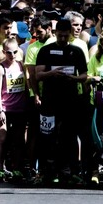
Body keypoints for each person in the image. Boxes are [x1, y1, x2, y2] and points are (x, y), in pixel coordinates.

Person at [35, 19, 88, 185]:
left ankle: (70, 171)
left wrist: (73, 78)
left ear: (70, 34)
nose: (63, 39)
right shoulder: (45, 50)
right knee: (47, 135)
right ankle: (45, 171)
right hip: (50, 100)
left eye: (66, 36)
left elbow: (84, 75)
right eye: (61, 35)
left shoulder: (77, 51)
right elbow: (37, 75)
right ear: (55, 33)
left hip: (71, 101)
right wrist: (53, 73)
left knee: (69, 136)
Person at [0, 38, 27, 181]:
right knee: (2, 138)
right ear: (4, 52)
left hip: (20, 109)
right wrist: (0, 110)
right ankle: (0, 169)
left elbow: (26, 86)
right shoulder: (1, 68)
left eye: (15, 52)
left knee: (18, 140)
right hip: (5, 108)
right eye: (9, 52)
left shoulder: (21, 65)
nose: (12, 55)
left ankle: (17, 168)